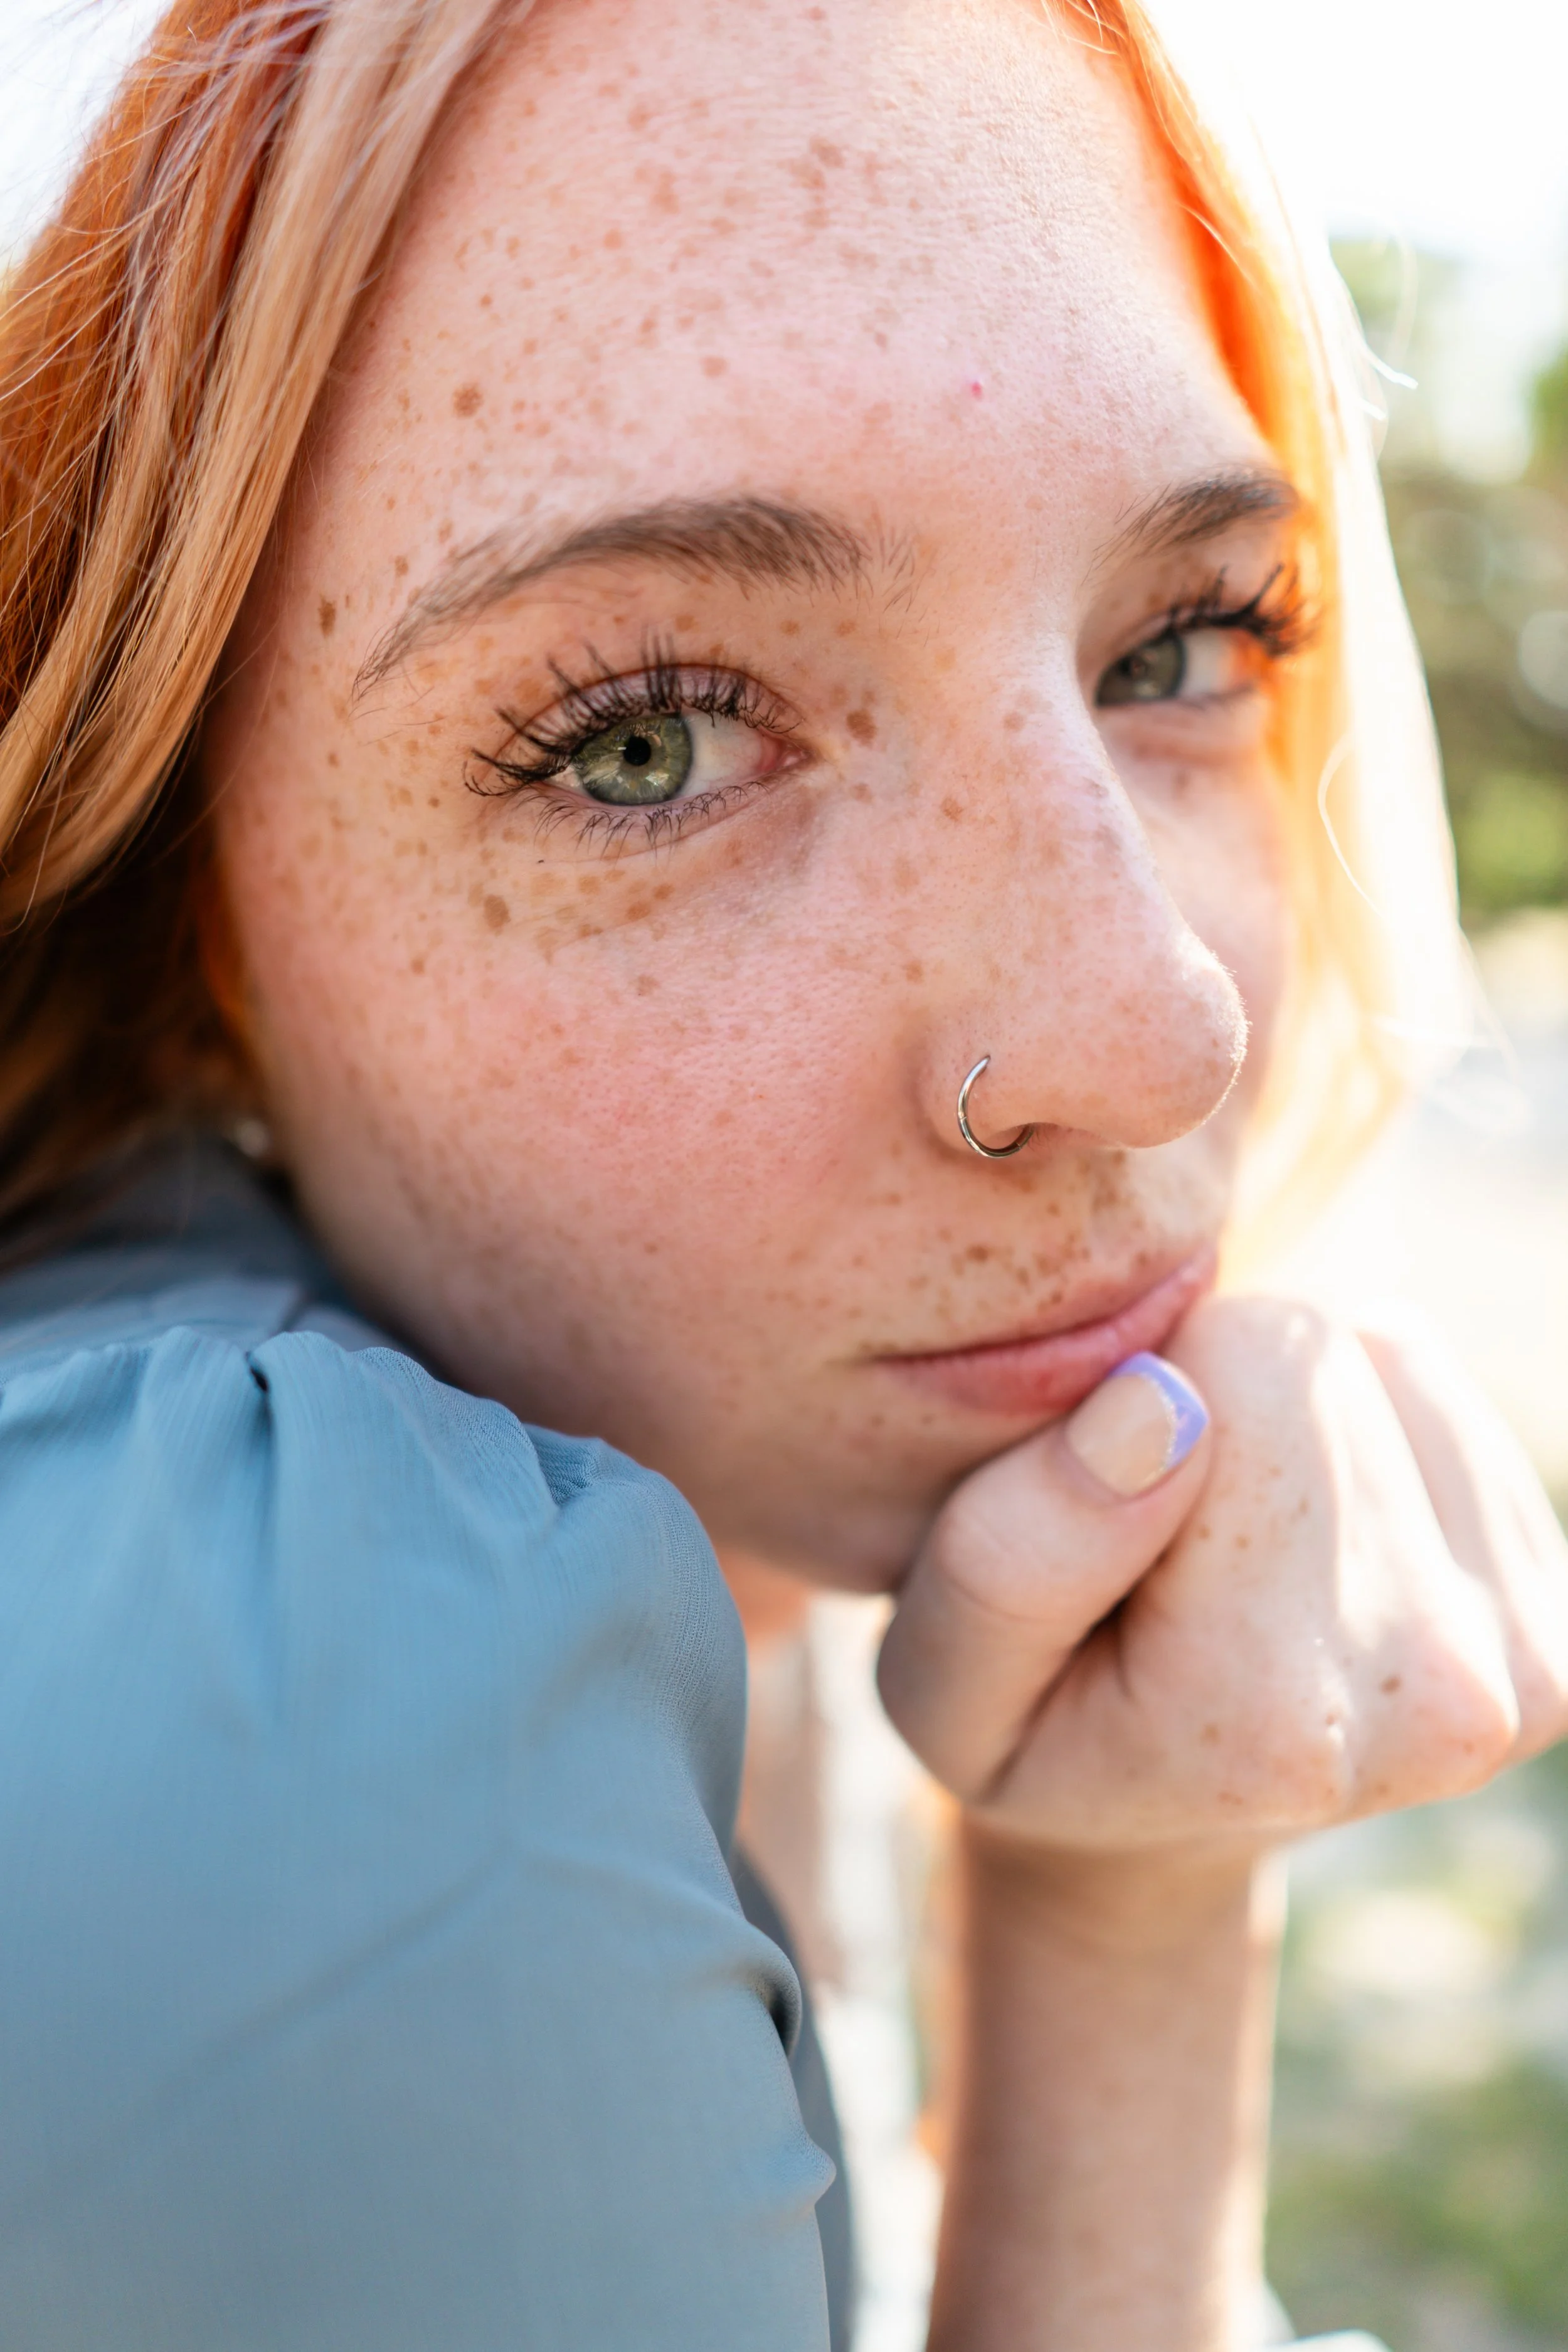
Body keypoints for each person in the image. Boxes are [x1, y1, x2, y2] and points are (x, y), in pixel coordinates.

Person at [0, 0, 1562, 2346]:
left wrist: (1117, 1897)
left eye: (1174, 642)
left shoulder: (654, 1514)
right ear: (184, 900)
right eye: (644, 740)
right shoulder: (330, 1721)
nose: (1158, 1035)